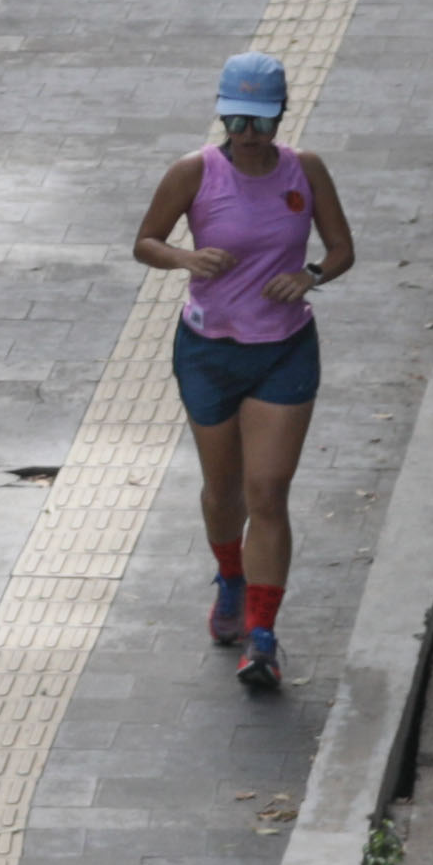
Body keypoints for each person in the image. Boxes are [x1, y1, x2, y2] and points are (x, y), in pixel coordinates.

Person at [132, 51, 355, 699]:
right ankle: (229, 576)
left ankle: (261, 636)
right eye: (234, 119)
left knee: (267, 492)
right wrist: (184, 258)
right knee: (222, 488)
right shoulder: (193, 172)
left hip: (283, 348)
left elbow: (341, 247)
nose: (246, 133)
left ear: (280, 114)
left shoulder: (304, 170)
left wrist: (310, 275)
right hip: (206, 350)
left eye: (257, 120)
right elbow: (143, 240)